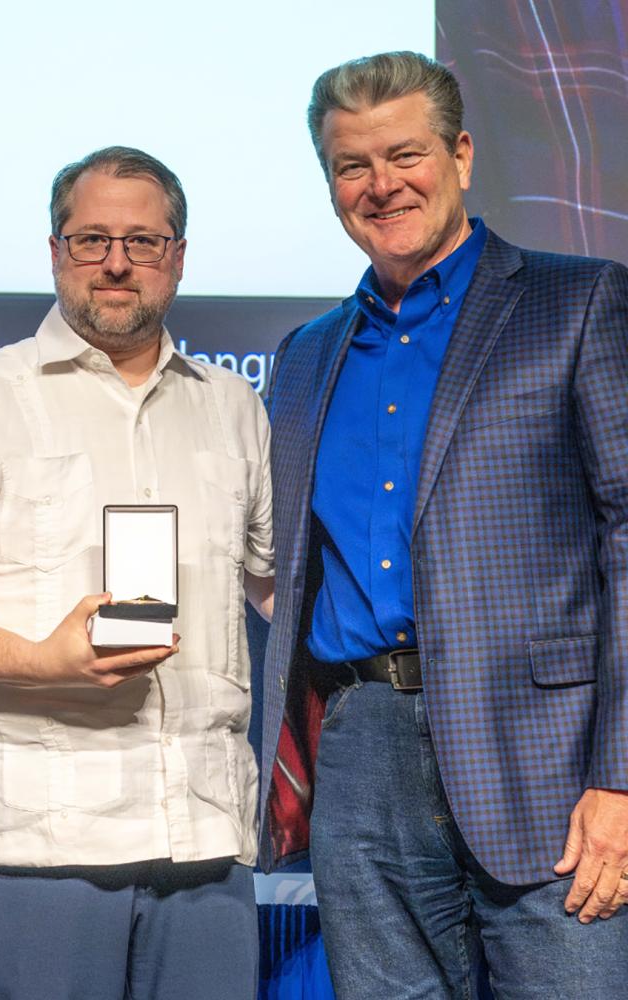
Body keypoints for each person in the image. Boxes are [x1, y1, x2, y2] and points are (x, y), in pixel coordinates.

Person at [260, 50, 628, 997]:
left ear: (460, 154)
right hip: (362, 755)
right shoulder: (304, 357)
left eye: (405, 154)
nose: (381, 185)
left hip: (548, 762)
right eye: (352, 165)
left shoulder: (579, 301)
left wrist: (622, 779)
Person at [0, 146, 274, 1000]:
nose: (116, 262)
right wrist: (44, 660)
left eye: (143, 242)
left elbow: (275, 589)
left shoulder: (234, 406)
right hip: (37, 843)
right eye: (92, 239)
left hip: (206, 837)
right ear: (55, 251)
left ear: (178, 256)